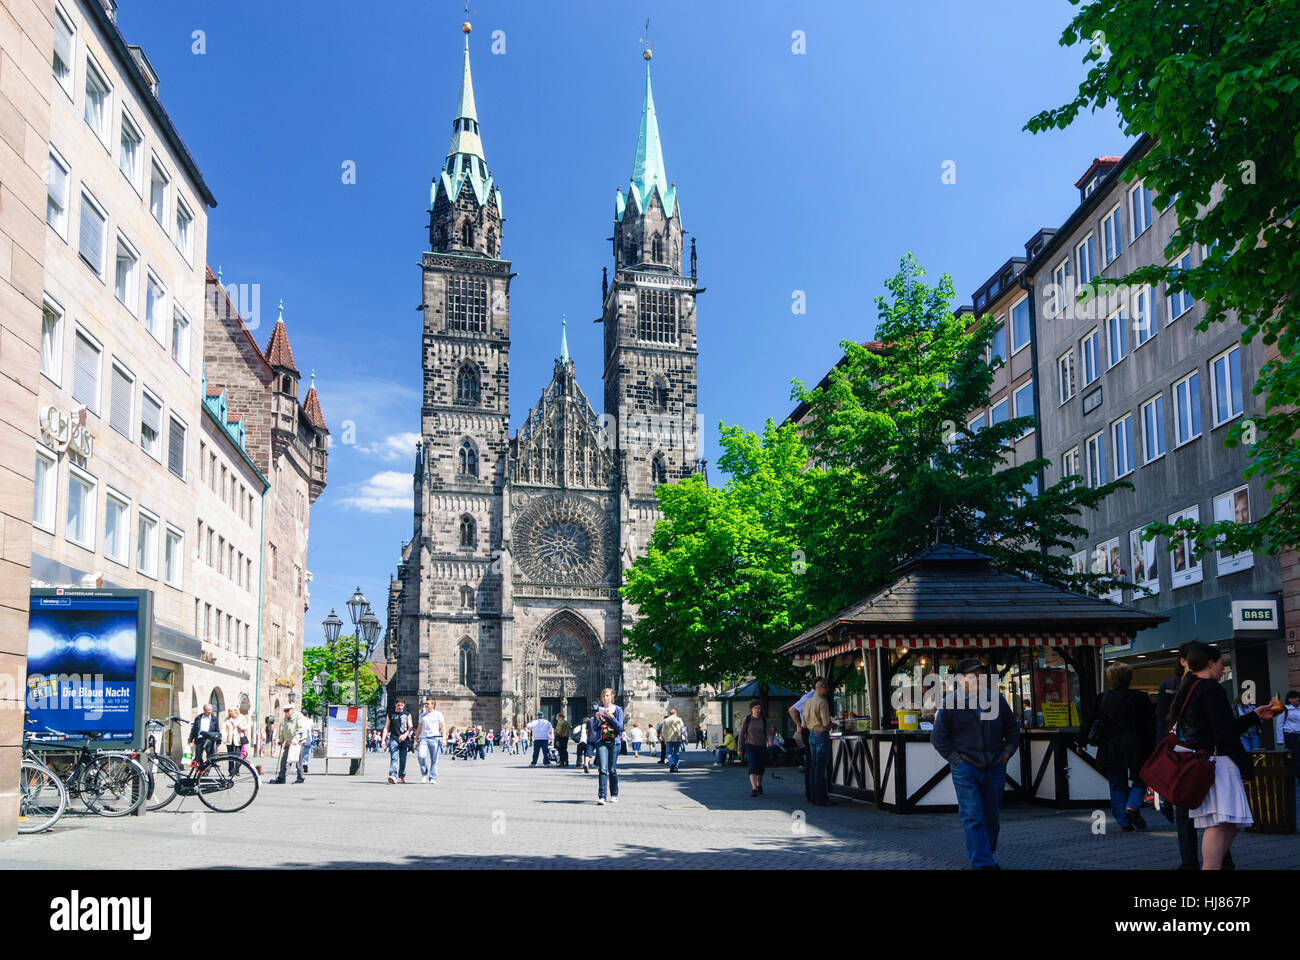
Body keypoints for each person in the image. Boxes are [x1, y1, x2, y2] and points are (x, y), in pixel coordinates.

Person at [1167, 642, 1277, 870]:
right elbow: (1224, 731)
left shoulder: (1189, 688)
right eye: (1220, 663)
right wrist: (1245, 765)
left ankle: (1212, 866)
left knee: (1228, 821)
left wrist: (1253, 717)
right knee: (1223, 822)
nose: (1221, 668)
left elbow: (1218, 727)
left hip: (1202, 759)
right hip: (1219, 763)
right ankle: (1211, 867)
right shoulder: (1210, 688)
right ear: (1210, 662)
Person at [930, 659, 1019, 869]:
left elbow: (1013, 731)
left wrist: (1006, 754)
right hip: (966, 767)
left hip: (995, 765)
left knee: (991, 818)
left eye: (980, 674)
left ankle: (986, 854)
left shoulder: (997, 699)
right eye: (974, 675)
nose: (979, 678)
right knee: (973, 815)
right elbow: (938, 737)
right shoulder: (950, 703)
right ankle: (983, 863)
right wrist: (956, 760)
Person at [1091, 662, 1156, 831]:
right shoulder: (1140, 698)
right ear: (1129, 678)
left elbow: (1090, 722)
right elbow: (1150, 725)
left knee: (1116, 784)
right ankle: (1133, 805)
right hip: (1136, 745)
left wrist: (1081, 740)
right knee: (1141, 778)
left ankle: (1123, 820)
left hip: (1110, 746)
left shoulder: (1102, 698)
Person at [802, 679, 836, 805]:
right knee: (820, 768)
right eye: (826, 688)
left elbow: (804, 722)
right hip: (821, 735)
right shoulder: (822, 702)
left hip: (811, 735)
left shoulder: (807, 702)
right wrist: (834, 725)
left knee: (813, 767)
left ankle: (812, 796)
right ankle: (821, 798)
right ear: (821, 688)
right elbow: (826, 723)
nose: (827, 690)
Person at [588, 688, 624, 804]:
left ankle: (614, 794)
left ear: (612, 697)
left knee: (612, 770)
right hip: (601, 741)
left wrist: (611, 717)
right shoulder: (598, 710)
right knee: (602, 769)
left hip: (614, 742)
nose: (605, 698)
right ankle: (602, 796)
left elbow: (620, 728)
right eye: (603, 696)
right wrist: (597, 719)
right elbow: (594, 729)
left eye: (607, 696)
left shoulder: (618, 710)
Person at [789, 682, 821, 802]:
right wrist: (799, 726)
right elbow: (792, 709)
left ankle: (813, 793)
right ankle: (811, 793)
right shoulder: (808, 697)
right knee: (812, 761)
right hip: (808, 730)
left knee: (812, 761)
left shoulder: (815, 697)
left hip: (810, 729)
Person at [739, 701, 770, 797]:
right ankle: (754, 788)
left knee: (761, 768)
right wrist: (739, 748)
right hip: (750, 745)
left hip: (762, 746)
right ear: (751, 709)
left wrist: (770, 740)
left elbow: (769, 732)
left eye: (759, 708)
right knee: (752, 765)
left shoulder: (764, 720)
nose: (757, 710)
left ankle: (759, 784)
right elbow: (741, 734)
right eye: (755, 708)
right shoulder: (747, 719)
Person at [269, 704, 306, 784]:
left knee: (298, 761)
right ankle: (281, 778)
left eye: (287, 711)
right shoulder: (285, 718)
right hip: (288, 743)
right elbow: (283, 730)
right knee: (284, 761)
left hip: (298, 742)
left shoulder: (299, 716)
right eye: (285, 711)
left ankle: (301, 777)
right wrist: (281, 740)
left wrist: (295, 739)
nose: (286, 713)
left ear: (293, 710)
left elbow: (301, 729)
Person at [383, 698, 414, 783]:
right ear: (395, 705)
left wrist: (405, 734)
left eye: (402, 705)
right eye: (398, 705)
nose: (400, 707)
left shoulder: (407, 714)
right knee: (394, 758)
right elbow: (386, 727)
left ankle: (402, 775)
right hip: (394, 738)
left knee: (403, 758)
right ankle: (393, 775)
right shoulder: (390, 714)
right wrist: (383, 740)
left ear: (404, 705)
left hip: (405, 739)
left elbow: (411, 727)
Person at [415, 697, 445, 783]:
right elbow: (419, 728)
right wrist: (415, 739)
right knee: (421, 756)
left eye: (428, 703)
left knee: (434, 760)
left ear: (433, 705)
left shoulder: (438, 714)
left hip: (435, 738)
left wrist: (444, 739)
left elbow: (443, 726)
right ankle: (424, 772)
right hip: (424, 738)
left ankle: (433, 778)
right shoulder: (422, 715)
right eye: (426, 703)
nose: (426, 705)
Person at [662, 706, 686, 772]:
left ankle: (671, 762)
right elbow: (683, 729)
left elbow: (663, 730)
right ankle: (676, 767)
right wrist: (685, 738)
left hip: (668, 739)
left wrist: (663, 737)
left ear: (669, 713)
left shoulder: (665, 720)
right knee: (676, 753)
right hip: (677, 738)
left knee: (669, 753)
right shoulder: (679, 719)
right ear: (675, 713)